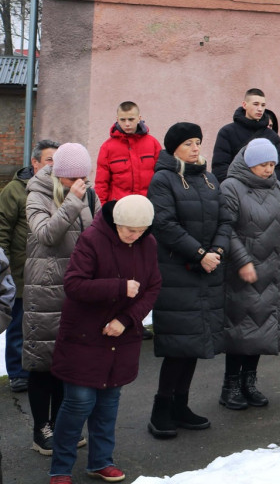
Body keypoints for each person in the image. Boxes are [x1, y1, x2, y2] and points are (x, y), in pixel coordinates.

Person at [48, 195, 161, 484]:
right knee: (79, 402)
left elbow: (152, 287)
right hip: (84, 334)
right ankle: (60, 468)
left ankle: (100, 462)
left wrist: (125, 320)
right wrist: (120, 287)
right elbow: (74, 284)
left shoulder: (148, 243)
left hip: (121, 337)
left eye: (140, 231)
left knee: (109, 402)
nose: (133, 236)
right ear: (116, 223)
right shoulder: (92, 239)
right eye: (128, 231)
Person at [146, 123, 231, 439]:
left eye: (198, 142)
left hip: (209, 271)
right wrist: (199, 254)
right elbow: (164, 225)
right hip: (177, 273)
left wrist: (217, 251)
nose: (196, 148)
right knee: (177, 345)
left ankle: (180, 406)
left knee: (194, 342)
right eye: (189, 143)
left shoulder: (210, 180)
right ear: (174, 148)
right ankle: (160, 409)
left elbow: (225, 219)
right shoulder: (163, 180)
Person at [24, 142, 97, 455]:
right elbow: (47, 235)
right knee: (43, 362)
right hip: (44, 287)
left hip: (75, 287)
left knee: (67, 361)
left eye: (83, 177)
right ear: (59, 175)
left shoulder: (85, 192)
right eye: (73, 178)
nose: (80, 182)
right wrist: (72, 201)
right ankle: (42, 428)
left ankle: (61, 422)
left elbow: (91, 235)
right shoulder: (37, 194)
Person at [217, 138, 280, 411]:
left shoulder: (278, 188)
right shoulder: (231, 187)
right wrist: (242, 261)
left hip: (272, 269)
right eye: (263, 164)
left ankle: (249, 383)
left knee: (263, 328)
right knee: (241, 329)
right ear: (250, 163)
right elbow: (225, 229)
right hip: (243, 271)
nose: (268, 170)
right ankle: (230, 385)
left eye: (272, 164)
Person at [0, 139, 57, 395]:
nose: (54, 166)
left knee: (43, 324)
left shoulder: (59, 188)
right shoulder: (14, 190)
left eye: (58, 161)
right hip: (21, 271)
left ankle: (40, 368)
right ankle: (17, 373)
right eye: (49, 160)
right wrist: (5, 268)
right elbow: (1, 229)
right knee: (19, 323)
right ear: (35, 163)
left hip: (50, 272)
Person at [211, 89, 280, 199]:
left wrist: (267, 192)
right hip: (236, 195)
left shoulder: (272, 136)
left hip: (266, 196)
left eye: (263, 105)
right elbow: (220, 168)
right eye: (256, 104)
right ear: (244, 105)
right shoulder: (227, 132)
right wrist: (233, 192)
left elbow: (278, 169)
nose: (260, 109)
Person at [94, 101, 162, 205]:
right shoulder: (107, 148)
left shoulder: (153, 144)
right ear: (117, 120)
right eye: (123, 119)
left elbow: (161, 178)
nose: (127, 124)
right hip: (119, 209)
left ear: (139, 118)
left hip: (148, 206)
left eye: (131, 119)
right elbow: (101, 184)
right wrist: (101, 212)